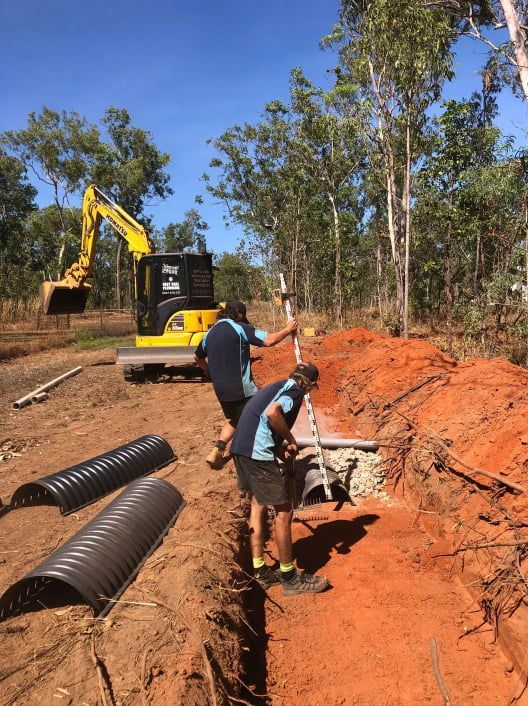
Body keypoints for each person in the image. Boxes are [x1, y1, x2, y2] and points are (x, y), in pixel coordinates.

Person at [230, 362, 329, 596]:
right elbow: (273, 413)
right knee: (284, 512)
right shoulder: (295, 391)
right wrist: (291, 439)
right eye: (311, 388)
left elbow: (261, 423)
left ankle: (261, 572)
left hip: (241, 449)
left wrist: (278, 450)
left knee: (258, 503)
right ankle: (289, 577)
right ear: (310, 384)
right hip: (256, 454)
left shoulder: (275, 385)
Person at [195, 300, 297, 469]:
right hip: (242, 389)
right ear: (239, 314)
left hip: (220, 389)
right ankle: (276, 455)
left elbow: (197, 357)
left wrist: (208, 372)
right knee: (265, 415)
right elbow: (269, 341)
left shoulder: (209, 333)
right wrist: (288, 329)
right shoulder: (240, 328)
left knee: (237, 418)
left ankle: (217, 449)